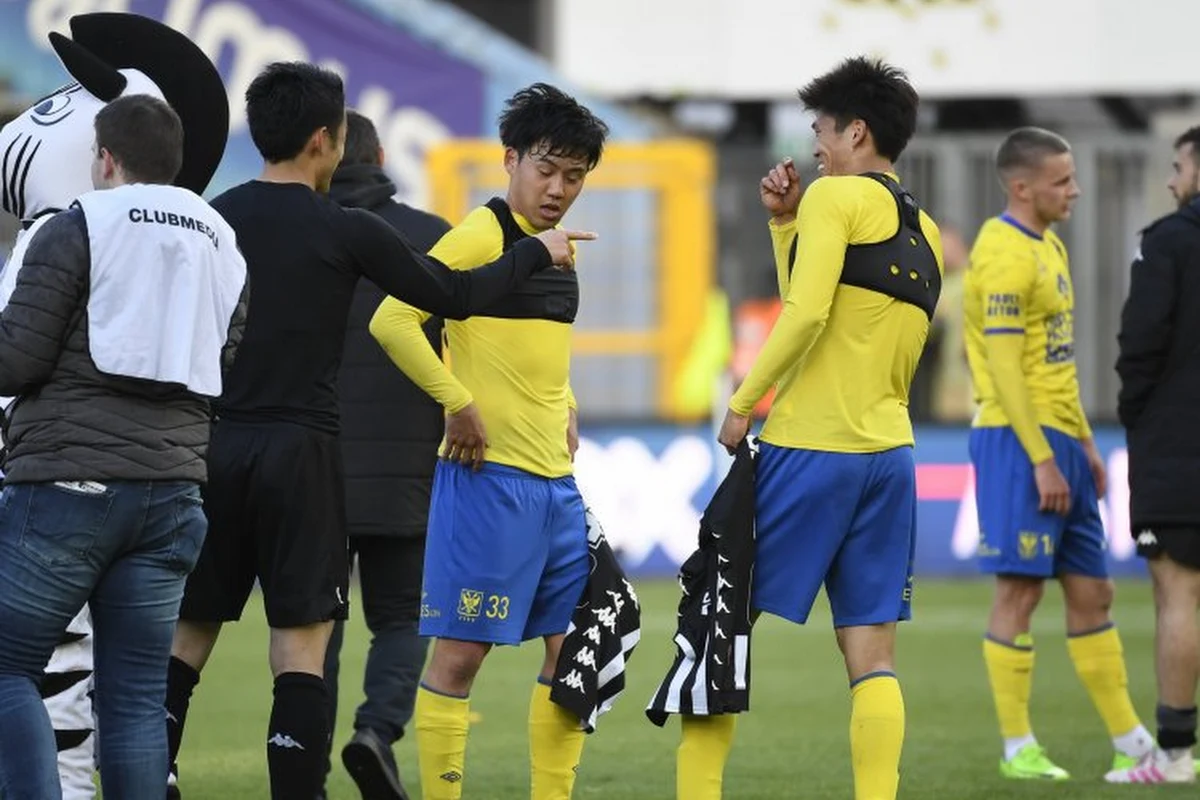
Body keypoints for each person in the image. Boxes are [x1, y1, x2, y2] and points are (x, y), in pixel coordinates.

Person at [163, 63, 586, 800]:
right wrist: (528, 257)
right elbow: (443, 296)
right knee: (302, 646)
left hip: (217, 445)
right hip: (304, 455)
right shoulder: (350, 229)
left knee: (190, 632)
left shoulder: (212, 220)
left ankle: (151, 774)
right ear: (324, 141)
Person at [0, 13, 229, 797]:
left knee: (5, 667)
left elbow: (17, 358)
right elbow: (224, 353)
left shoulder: (78, 222)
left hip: (69, 483)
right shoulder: (218, 237)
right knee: (133, 696)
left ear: (103, 155)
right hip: (173, 491)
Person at [705, 56, 943, 800]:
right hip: (890, 455)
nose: (814, 145)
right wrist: (784, 224)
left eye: (820, 130)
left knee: (717, 622)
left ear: (857, 131)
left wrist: (746, 398)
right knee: (872, 654)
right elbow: (829, 305)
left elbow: (805, 315)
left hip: (811, 446)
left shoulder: (836, 198)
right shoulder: (927, 229)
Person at [368, 82, 608, 800]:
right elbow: (392, 321)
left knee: (571, 658)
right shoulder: (481, 234)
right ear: (509, 159)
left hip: (555, 485)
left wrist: (567, 400)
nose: (559, 188)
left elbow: (535, 346)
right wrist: (456, 402)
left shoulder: (564, 247)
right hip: (488, 480)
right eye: (546, 169)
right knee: (462, 657)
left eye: (574, 175)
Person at [965, 126, 1154, 780]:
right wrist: (1042, 454)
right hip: (1018, 445)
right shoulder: (1003, 256)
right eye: (1061, 181)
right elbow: (1005, 366)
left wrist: (1081, 443)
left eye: (1073, 177)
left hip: (1060, 442)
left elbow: (1057, 362)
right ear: (1022, 187)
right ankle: (1018, 748)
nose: (1074, 190)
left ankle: (1133, 745)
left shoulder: (1047, 245)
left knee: (1094, 592)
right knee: (1019, 593)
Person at [321, 109, 452, 800]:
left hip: (313, 471)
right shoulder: (433, 238)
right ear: (378, 155)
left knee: (317, 622)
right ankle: (376, 732)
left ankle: (302, 760)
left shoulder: (296, 235)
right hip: (409, 473)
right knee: (402, 618)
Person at [1108, 125, 1200, 785]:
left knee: (1178, 593)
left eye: (1180, 166)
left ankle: (1172, 752)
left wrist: (1139, 416)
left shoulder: (1168, 242)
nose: (1172, 179)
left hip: (1180, 443)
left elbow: (1139, 344)